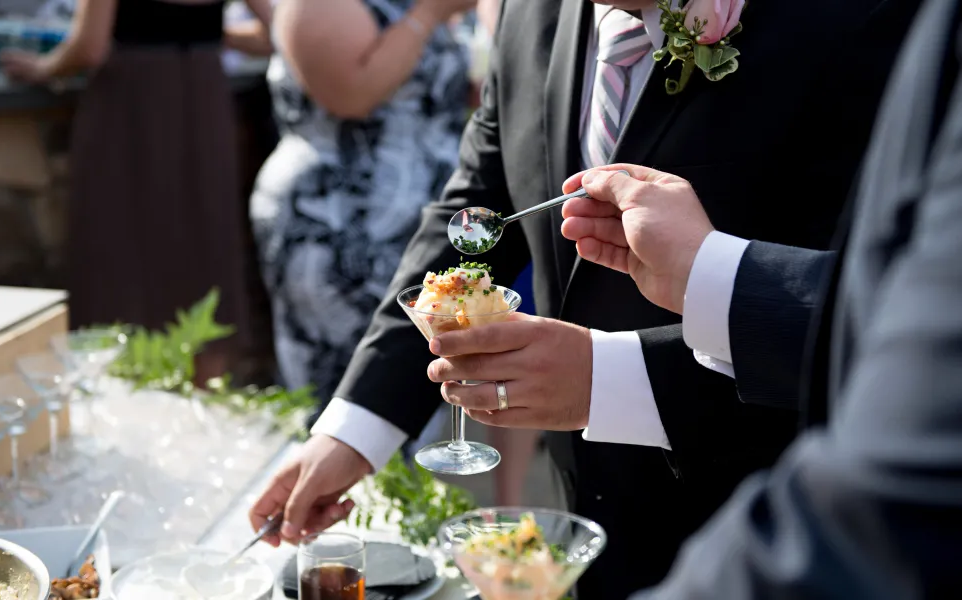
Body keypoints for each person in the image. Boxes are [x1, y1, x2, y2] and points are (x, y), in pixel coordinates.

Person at [249, 0, 918, 596]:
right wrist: (357, 426)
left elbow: (876, 322)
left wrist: (610, 381)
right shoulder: (532, 11)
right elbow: (479, 210)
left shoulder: (868, 21)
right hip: (588, 524)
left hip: (764, 529)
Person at [563, 0, 962, 595]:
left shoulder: (864, 21)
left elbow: (913, 436)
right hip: (592, 508)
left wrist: (609, 377)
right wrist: (708, 275)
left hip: (751, 502)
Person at [0, 0, 271, 380]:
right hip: (204, 99)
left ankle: (119, 389)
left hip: (133, 103)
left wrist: (46, 67)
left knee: (119, 251)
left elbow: (90, 47)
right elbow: (272, 33)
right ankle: (207, 392)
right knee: (205, 243)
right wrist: (203, 28)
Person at [248, 0, 475, 403]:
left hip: (422, 217)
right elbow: (351, 95)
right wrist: (430, 15)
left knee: (417, 381)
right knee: (346, 388)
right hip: (339, 221)